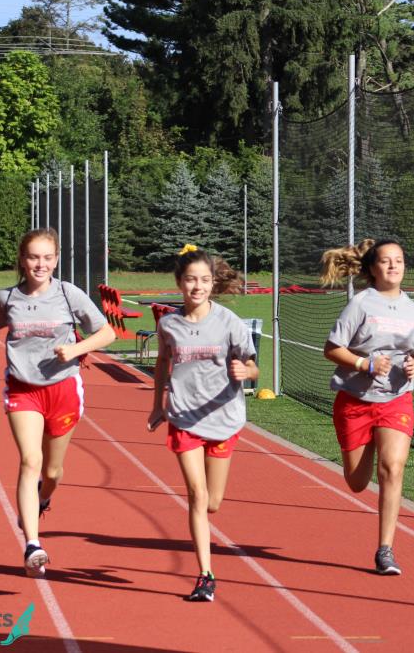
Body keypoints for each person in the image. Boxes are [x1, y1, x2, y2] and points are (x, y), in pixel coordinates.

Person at [0, 228, 115, 577]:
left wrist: (77, 349)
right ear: (22, 260)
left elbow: (107, 332)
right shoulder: (7, 299)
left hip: (63, 389)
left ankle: (43, 497)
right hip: (23, 389)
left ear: (56, 259)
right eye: (34, 257)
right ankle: (33, 545)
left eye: (47, 257)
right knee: (30, 460)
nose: (40, 264)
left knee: (51, 472)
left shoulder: (68, 294)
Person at [147, 244, 258, 602]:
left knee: (213, 502)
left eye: (205, 280)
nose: (198, 286)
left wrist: (246, 372)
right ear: (179, 282)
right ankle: (206, 575)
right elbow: (162, 363)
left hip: (223, 417)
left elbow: (253, 365)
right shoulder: (168, 324)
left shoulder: (229, 322)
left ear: (213, 283)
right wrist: (157, 405)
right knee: (197, 495)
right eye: (191, 280)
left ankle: (205, 545)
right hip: (184, 417)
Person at [321, 239, 414, 575]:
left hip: (396, 398)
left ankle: (385, 550)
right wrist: (364, 364)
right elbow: (331, 348)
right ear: (372, 268)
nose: (394, 266)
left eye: (399, 260)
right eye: (386, 260)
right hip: (355, 400)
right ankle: (360, 449)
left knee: (393, 468)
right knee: (357, 482)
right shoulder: (360, 304)